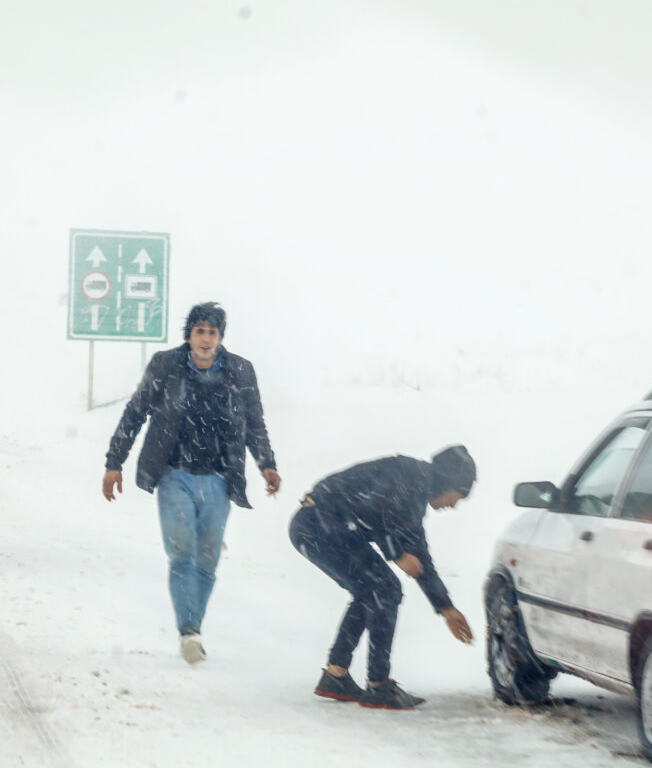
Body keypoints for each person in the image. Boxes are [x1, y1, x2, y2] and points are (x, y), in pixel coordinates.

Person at [102, 302, 281, 664]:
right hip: (173, 473)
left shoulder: (240, 371)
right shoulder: (166, 366)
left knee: (207, 560)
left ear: (220, 337)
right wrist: (114, 462)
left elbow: (255, 421)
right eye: (199, 331)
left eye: (212, 332)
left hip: (219, 478)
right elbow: (135, 412)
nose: (206, 339)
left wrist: (267, 464)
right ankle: (188, 631)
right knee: (182, 551)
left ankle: (193, 628)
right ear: (189, 335)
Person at [288, 446, 475, 709]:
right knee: (384, 589)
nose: (454, 505)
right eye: (459, 496)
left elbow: (421, 561)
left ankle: (336, 674)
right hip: (318, 525)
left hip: (323, 528)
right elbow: (376, 507)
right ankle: (378, 685)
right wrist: (396, 553)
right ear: (449, 481)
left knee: (373, 590)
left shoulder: (415, 495)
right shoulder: (408, 475)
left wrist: (447, 608)